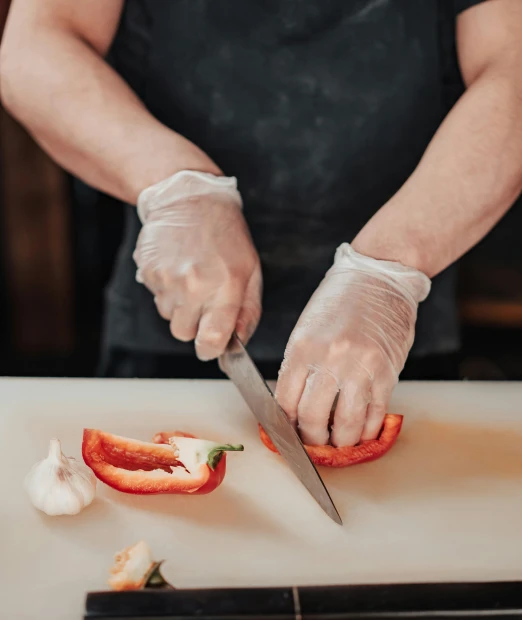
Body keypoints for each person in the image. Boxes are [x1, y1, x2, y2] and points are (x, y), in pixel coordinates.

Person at [1, 0, 521, 448]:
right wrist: (176, 183)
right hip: (174, 315)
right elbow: (37, 44)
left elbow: (512, 68)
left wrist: (390, 268)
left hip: (398, 337)